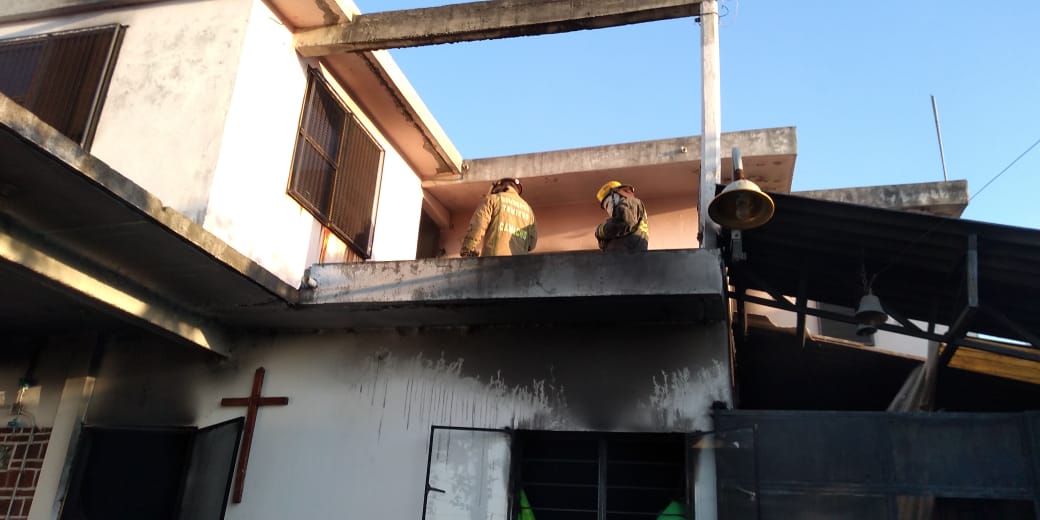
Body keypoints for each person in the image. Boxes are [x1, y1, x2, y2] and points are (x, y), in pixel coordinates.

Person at [460, 178, 538, 257]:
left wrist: (467, 248)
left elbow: (478, 226)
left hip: (494, 261)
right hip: (519, 263)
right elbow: (532, 244)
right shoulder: (528, 210)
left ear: (500, 186)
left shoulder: (493, 199)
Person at [594, 180, 649, 252]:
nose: (608, 209)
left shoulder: (629, 202)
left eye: (608, 203)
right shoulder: (632, 207)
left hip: (626, 254)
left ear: (619, 193)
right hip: (628, 254)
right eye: (606, 207)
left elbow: (625, 222)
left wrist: (601, 230)